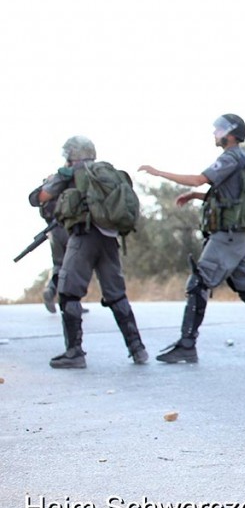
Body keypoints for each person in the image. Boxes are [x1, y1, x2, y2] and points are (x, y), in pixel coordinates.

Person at [137, 114, 245, 363]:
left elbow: (200, 178)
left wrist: (158, 172)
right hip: (241, 235)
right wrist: (196, 196)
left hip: (229, 236)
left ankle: (187, 344)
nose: (215, 134)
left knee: (198, 283)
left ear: (230, 133)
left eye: (218, 130)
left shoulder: (231, 157)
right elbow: (231, 196)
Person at [33, 136, 148, 368]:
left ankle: (74, 352)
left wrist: (54, 179)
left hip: (84, 237)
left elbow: (38, 198)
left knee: (68, 292)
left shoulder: (69, 173)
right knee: (116, 295)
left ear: (71, 155)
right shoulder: (106, 173)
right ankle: (137, 349)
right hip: (109, 239)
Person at [28, 177, 71, 314]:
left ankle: (51, 290)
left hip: (53, 231)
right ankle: (69, 301)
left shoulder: (50, 185)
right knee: (73, 266)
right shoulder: (69, 183)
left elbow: (35, 200)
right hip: (69, 230)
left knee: (59, 265)